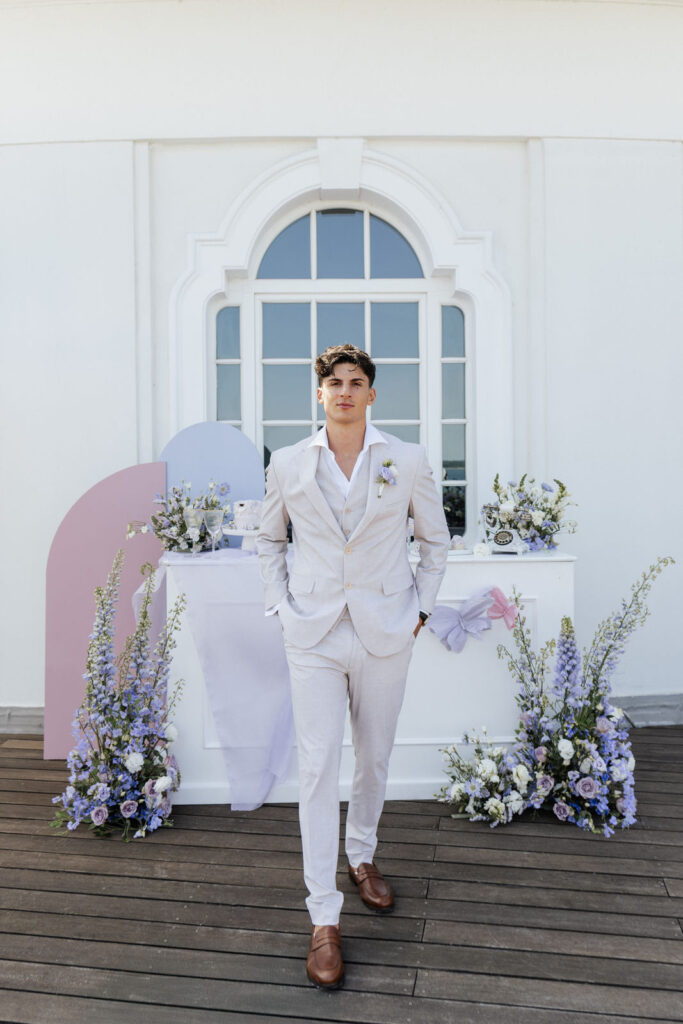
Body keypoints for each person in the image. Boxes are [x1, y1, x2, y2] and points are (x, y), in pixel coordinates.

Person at [257, 344, 450, 989]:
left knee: (373, 756)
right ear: (319, 394)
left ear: (371, 394)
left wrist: (420, 610)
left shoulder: (407, 459)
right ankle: (323, 916)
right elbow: (269, 539)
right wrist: (280, 607)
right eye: (333, 382)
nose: (344, 390)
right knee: (317, 767)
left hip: (386, 629)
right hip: (312, 632)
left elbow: (435, 541)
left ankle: (362, 854)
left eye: (355, 381)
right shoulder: (288, 463)